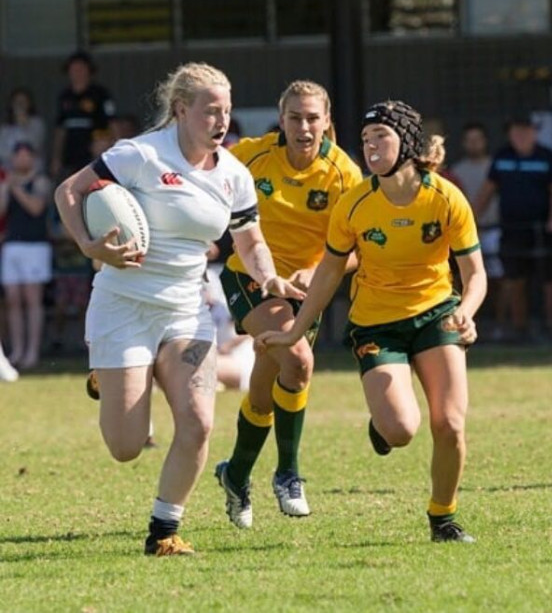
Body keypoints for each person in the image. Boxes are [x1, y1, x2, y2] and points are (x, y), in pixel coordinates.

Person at [54, 62, 303, 556]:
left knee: (199, 423)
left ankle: (164, 532)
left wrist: (269, 276)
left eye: (227, 111)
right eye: (211, 111)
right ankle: (112, 376)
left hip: (187, 311)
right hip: (123, 305)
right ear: (181, 109)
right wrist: (89, 245)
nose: (221, 121)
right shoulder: (142, 154)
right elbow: (70, 191)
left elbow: (249, 240)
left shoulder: (234, 174)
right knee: (126, 447)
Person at [257, 100, 487, 543]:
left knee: (450, 424)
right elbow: (327, 274)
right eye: (364, 139)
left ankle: (443, 518)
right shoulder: (354, 204)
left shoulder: (445, 197)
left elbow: (475, 274)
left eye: (380, 135)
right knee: (400, 430)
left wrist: (467, 311)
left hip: (437, 313)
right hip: (376, 325)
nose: (370, 146)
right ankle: (382, 424)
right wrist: (294, 329)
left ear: (407, 143)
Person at [215, 80, 362, 529]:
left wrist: (319, 273)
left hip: (306, 292)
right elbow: (200, 178)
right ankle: (288, 474)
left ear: (327, 121)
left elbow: (358, 249)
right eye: (295, 117)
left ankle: (235, 474)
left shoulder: (343, 174)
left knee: (266, 389)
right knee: (298, 361)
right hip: (251, 278)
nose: (304, 126)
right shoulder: (249, 156)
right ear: (281, 120)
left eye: (313, 118)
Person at [474, 115, 552, 339]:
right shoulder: (502, 157)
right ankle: (520, 328)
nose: (521, 136)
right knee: (515, 278)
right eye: (516, 131)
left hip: (543, 229)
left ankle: (551, 327)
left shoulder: (548, 157)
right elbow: (487, 191)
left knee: (549, 279)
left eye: (525, 131)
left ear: (535, 133)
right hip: (512, 228)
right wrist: (470, 221)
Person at [451, 122, 507, 339]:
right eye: (469, 140)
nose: (474, 144)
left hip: (493, 231)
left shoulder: (494, 166)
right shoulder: (456, 171)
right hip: (463, 234)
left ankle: (499, 325)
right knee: (461, 280)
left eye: (478, 139)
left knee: (498, 280)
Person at [0, 142, 52, 369]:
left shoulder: (40, 181)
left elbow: (36, 208)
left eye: (25, 156)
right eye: (17, 156)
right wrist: (5, 188)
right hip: (12, 244)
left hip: (35, 245)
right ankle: (17, 350)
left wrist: (16, 189)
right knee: (12, 300)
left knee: (32, 298)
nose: (21, 160)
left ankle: (32, 351)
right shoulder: (8, 183)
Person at [51, 50, 116, 180]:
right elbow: (60, 129)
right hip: (70, 153)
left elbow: (112, 123)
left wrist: (113, 146)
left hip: (93, 152)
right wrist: (56, 158)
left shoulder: (100, 94)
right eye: (73, 69)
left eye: (81, 68)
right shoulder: (65, 97)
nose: (77, 72)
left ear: (89, 71)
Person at [0, 88, 46, 169]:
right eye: (17, 102)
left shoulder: (37, 123)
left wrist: (24, 124)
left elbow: (35, 145)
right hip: (10, 172)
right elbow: (2, 151)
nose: (20, 104)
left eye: (23, 101)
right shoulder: (5, 128)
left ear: (29, 104)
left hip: (33, 172)